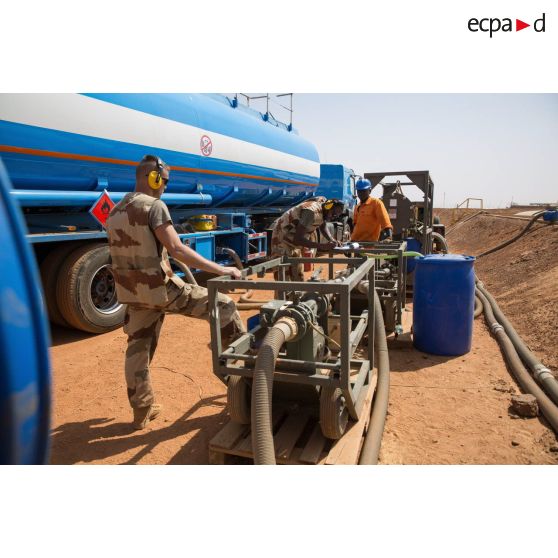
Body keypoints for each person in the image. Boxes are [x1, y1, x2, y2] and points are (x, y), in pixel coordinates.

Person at [106, 154, 244, 430]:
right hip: (161, 290)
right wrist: (221, 269)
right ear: (153, 178)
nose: (165, 187)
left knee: (138, 350)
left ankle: (142, 410)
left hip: (133, 293)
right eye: (164, 181)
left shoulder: (115, 210)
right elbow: (177, 249)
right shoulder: (154, 206)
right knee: (225, 305)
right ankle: (242, 380)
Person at [270, 196, 346, 281]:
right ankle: (283, 294)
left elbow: (322, 224)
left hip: (294, 242)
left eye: (336, 216)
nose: (333, 217)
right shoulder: (310, 212)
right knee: (284, 276)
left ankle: (296, 293)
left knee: (298, 275)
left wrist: (332, 239)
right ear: (328, 207)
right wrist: (322, 246)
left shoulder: (324, 206)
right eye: (333, 214)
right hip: (282, 238)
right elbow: (298, 239)